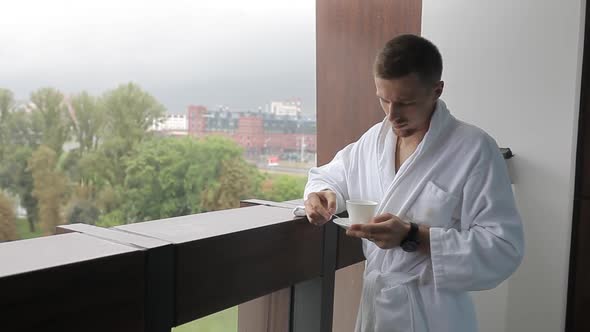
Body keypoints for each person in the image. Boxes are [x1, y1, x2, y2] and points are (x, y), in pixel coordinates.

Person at [304, 34, 524, 332]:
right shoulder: (374, 141)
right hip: (376, 309)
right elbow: (330, 175)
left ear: (437, 90)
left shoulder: (474, 149)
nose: (392, 115)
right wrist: (323, 194)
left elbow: (503, 248)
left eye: (405, 103)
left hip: (434, 316)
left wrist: (413, 236)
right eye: (384, 99)